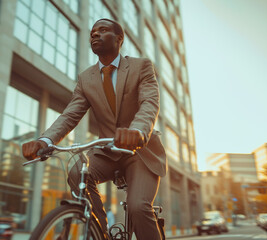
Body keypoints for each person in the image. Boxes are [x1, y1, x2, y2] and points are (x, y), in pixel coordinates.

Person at [22, 18, 167, 240]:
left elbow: (149, 103)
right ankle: (101, 233)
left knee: (138, 206)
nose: (95, 35)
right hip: (106, 151)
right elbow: (70, 115)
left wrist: (137, 130)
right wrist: (45, 141)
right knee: (76, 172)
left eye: (103, 30)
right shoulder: (86, 78)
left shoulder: (141, 66)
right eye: (92, 32)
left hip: (140, 152)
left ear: (119, 39)